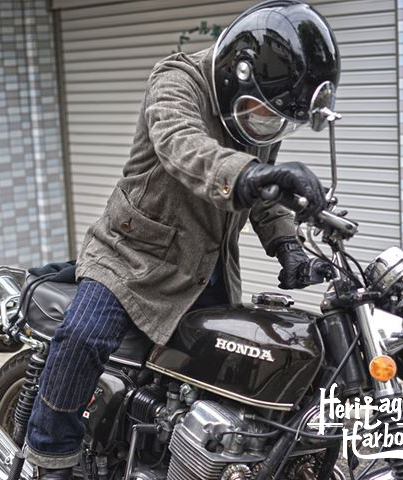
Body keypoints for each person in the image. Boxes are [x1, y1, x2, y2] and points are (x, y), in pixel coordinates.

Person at [23, 1, 340, 478]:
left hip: (206, 267)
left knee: (227, 371)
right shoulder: (177, 79)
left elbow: (265, 191)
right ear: (238, 74)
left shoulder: (255, 112)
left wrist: (287, 246)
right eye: (262, 110)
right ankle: (51, 457)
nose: (266, 122)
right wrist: (252, 173)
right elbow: (182, 145)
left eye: (275, 117)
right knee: (82, 337)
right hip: (131, 257)